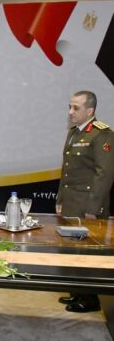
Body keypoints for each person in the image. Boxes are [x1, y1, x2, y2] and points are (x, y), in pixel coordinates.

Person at [56, 90, 114, 313]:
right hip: (71, 203)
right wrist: (60, 199)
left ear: (90, 111)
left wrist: (94, 208)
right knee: (73, 250)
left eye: (76, 108)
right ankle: (77, 292)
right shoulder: (74, 133)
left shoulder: (102, 134)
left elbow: (104, 174)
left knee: (88, 253)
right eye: (69, 107)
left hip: (87, 205)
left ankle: (90, 299)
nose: (70, 112)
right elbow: (66, 170)